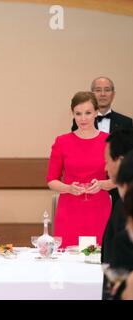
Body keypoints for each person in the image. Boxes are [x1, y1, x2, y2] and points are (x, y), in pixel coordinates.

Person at [47, 92, 114, 248]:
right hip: (69, 210)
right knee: (67, 262)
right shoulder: (62, 141)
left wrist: (102, 184)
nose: (83, 118)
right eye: (78, 113)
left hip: (99, 210)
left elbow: (119, 178)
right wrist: (68, 188)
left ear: (96, 112)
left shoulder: (109, 141)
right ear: (73, 114)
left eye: (88, 113)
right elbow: (51, 180)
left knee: (99, 259)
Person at [102, 130, 133, 299]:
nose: (105, 168)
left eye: (107, 161)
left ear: (121, 161)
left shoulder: (127, 210)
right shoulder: (121, 203)